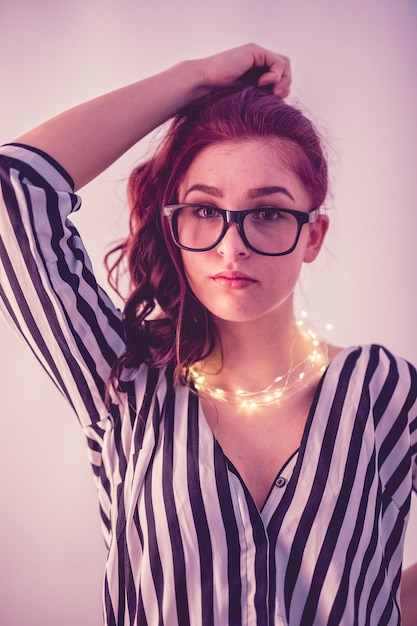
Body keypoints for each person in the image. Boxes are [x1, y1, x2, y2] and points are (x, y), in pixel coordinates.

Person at [0, 43, 416, 626]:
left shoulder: (384, 390)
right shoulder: (123, 378)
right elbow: (12, 192)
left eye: (268, 212)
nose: (231, 245)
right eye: (204, 209)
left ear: (313, 236)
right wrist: (192, 79)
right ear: (173, 226)